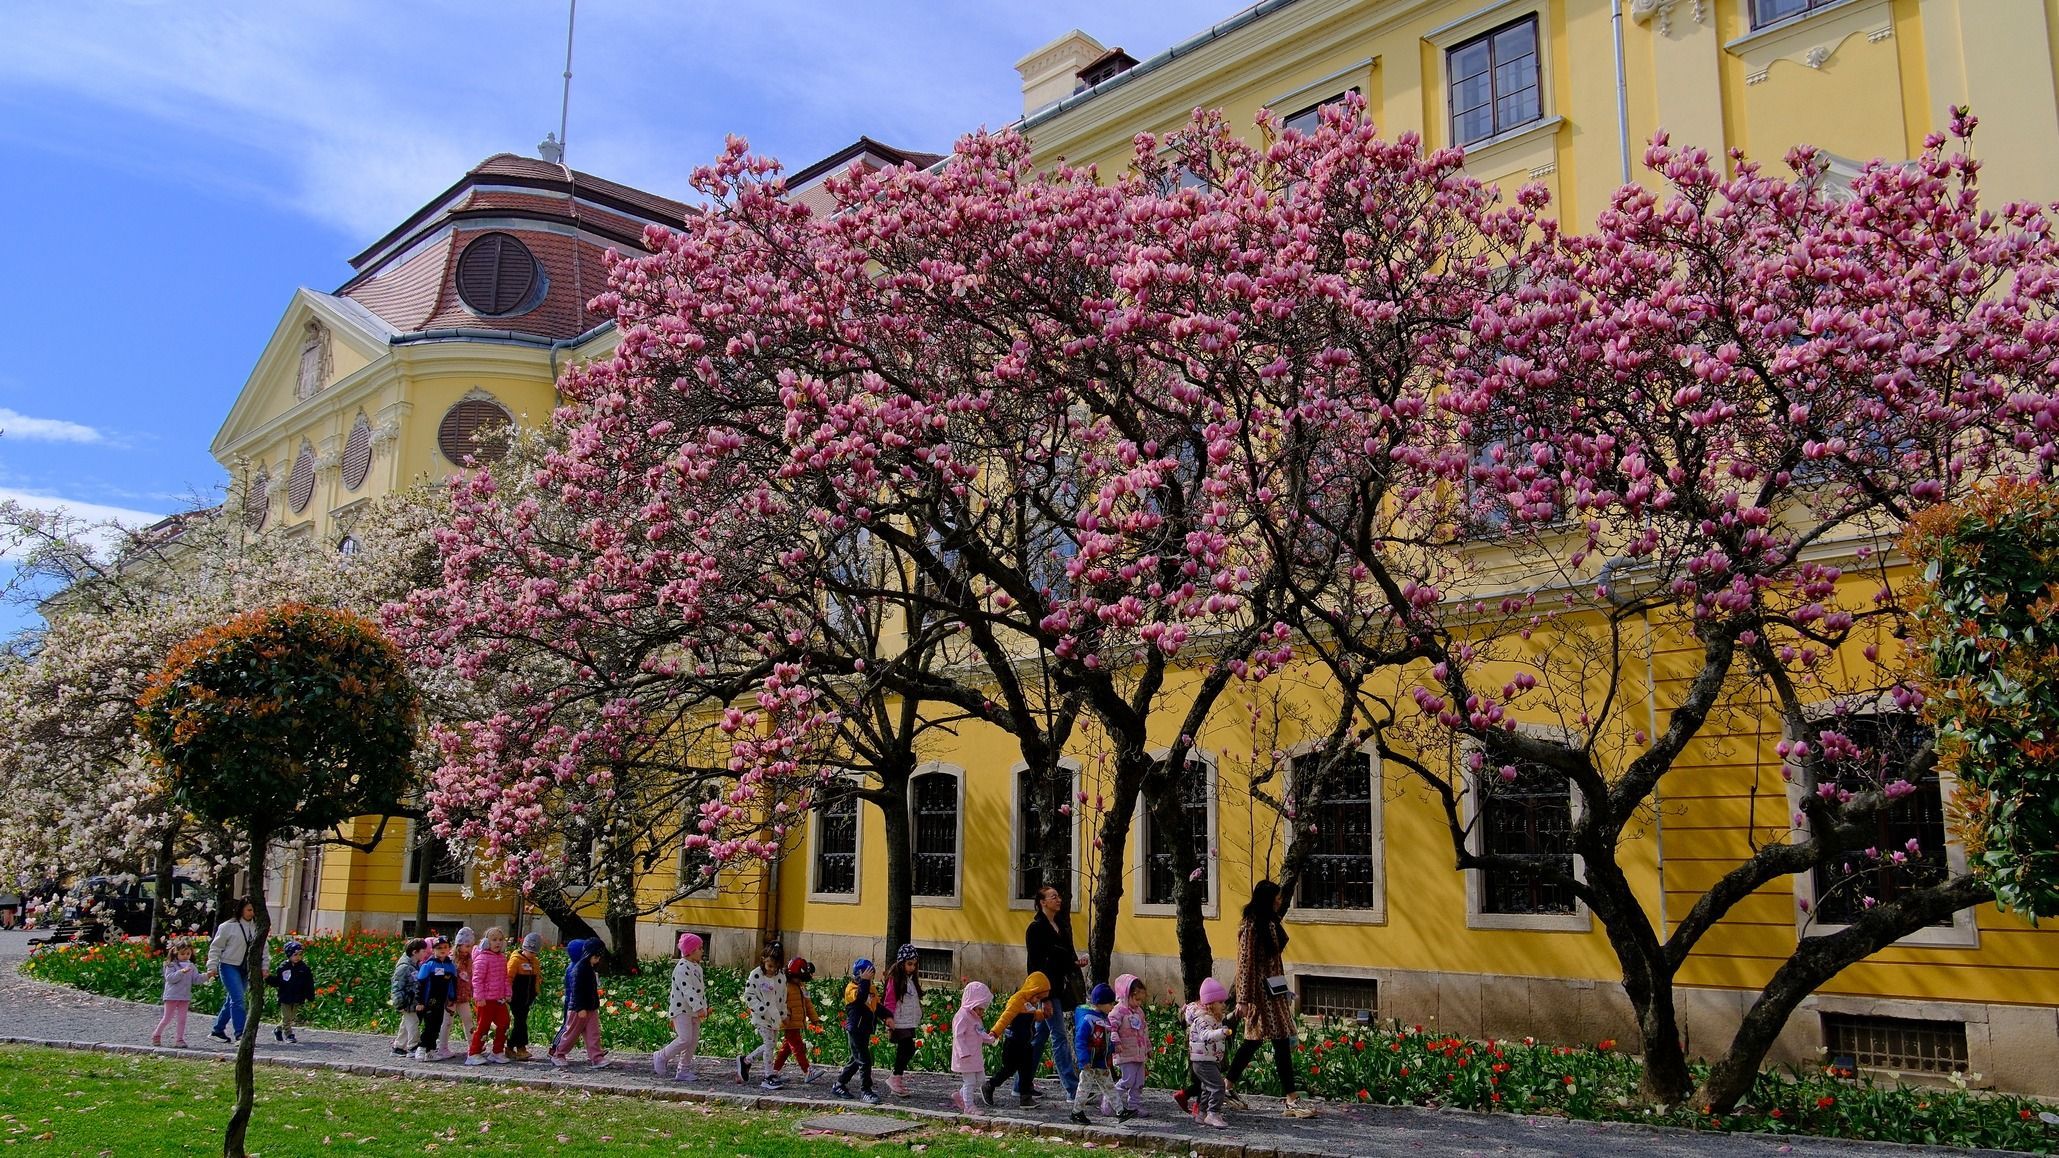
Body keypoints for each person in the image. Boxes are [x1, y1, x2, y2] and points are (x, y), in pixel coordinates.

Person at [1228, 880, 1314, 1117]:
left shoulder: (1270, 922)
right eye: (1276, 898)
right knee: (1273, 1042)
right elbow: (1244, 964)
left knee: (1259, 1042)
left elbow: (1274, 959)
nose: (1280, 902)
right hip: (1259, 996)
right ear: (1266, 899)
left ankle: (1228, 1086)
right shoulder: (1251, 927)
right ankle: (1291, 1098)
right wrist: (1243, 999)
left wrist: (1284, 988)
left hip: (1274, 990)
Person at [1025, 883, 1086, 1103]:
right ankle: (1073, 1090)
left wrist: (1076, 963)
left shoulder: (1061, 924)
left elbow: (1064, 957)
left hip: (1060, 987)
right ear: (1042, 902)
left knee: (1039, 1038)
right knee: (1059, 1037)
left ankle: (1021, 1085)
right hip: (1045, 991)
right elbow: (1035, 965)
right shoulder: (1036, 928)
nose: (1058, 899)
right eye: (1052, 897)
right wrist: (1043, 997)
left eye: (1058, 896)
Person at [982, 970, 1051, 1108]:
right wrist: (995, 1032)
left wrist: (1043, 1014)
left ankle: (1025, 1098)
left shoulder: (1027, 1002)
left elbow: (1032, 1015)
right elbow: (1005, 1017)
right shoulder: (1017, 1000)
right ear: (1032, 991)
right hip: (1014, 1043)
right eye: (1037, 997)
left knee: (1026, 1071)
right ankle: (990, 1085)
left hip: (1026, 1043)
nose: (1038, 1001)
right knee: (1008, 1069)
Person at [652, 932, 708, 1082]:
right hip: (681, 1010)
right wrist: (698, 1007)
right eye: (700, 948)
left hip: (694, 1012)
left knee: (693, 1040)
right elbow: (687, 990)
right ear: (691, 950)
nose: (703, 951)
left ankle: (684, 1070)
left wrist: (703, 1007)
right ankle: (661, 1056)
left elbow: (700, 990)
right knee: (684, 1038)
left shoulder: (696, 967)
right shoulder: (682, 968)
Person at [549, 937, 609, 1068]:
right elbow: (576, 991)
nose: (598, 960)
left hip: (591, 1008)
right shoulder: (579, 970)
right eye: (596, 957)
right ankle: (559, 1054)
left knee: (593, 1033)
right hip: (578, 1009)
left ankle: (596, 1057)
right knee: (571, 1034)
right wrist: (580, 1007)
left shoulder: (590, 969)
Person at [830, 958, 883, 1103]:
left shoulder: (871, 988)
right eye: (867, 976)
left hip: (865, 1029)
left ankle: (839, 1084)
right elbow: (860, 998)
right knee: (865, 1060)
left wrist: (889, 1017)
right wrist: (864, 981)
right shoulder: (851, 989)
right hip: (855, 1030)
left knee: (856, 1060)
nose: (870, 979)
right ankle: (866, 1090)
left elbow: (876, 1007)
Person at [203, 899, 256, 1043]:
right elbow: (216, 948)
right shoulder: (227, 927)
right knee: (238, 999)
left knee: (232, 1000)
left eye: (253, 910)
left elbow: (263, 949)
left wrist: (264, 967)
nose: (252, 913)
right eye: (249, 910)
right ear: (240, 910)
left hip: (245, 968)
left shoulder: (256, 927)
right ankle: (240, 1034)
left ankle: (217, 1031)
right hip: (228, 965)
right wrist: (212, 966)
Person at [1185, 977, 1233, 1129]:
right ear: (1211, 1004)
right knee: (1218, 1086)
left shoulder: (1213, 1018)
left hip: (1209, 1058)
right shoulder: (1202, 1020)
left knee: (1207, 1087)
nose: (1223, 1005)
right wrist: (1221, 1032)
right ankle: (1213, 1113)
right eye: (1220, 1002)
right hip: (1203, 1060)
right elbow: (1206, 1036)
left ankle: (1202, 1113)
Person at [735, 944, 785, 1090]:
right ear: (763, 960)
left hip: (775, 1017)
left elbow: (783, 997)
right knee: (769, 1044)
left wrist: (784, 1014)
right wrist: (761, 1009)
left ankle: (746, 1060)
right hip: (761, 1017)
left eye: (775, 966)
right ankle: (768, 1075)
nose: (772, 969)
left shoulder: (780, 976)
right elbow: (749, 995)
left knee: (772, 1044)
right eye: (769, 965)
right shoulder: (756, 975)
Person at [1070, 982, 1118, 1125]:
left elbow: (1105, 1038)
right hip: (1089, 1062)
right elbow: (1080, 1041)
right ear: (1100, 1003)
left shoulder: (1103, 1017)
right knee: (1084, 1087)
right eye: (1110, 1003)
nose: (1112, 1006)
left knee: (1108, 1085)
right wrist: (1083, 1060)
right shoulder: (1088, 1019)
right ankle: (1076, 1112)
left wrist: (1112, 1048)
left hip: (1099, 1060)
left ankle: (1120, 1111)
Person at [769, 956, 821, 1084]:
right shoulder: (784, 986)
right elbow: (779, 1004)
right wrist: (786, 1016)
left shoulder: (801, 986)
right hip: (788, 1021)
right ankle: (807, 1071)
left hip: (796, 1022)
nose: (799, 980)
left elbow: (808, 1003)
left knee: (787, 1048)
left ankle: (774, 1071)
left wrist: (815, 1019)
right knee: (798, 1047)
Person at [880, 944, 923, 1096]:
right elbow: (889, 1000)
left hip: (908, 1021)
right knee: (906, 1048)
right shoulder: (895, 980)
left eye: (914, 964)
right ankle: (895, 1078)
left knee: (909, 1049)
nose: (912, 967)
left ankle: (896, 1078)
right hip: (899, 1021)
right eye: (909, 964)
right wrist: (888, 1017)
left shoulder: (910, 980)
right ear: (901, 963)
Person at [949, 980, 996, 1115]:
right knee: (969, 1081)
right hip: (965, 1056)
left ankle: (960, 1095)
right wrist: (963, 1052)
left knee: (980, 1079)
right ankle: (969, 1106)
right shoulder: (962, 1016)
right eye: (980, 1008)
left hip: (975, 1055)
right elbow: (958, 1036)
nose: (982, 1012)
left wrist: (990, 1039)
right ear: (972, 1004)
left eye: (983, 1009)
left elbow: (979, 1032)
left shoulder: (975, 1018)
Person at [465, 927, 512, 1064]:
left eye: (500, 940)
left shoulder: (502, 958)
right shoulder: (482, 958)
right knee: (483, 1026)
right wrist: (479, 998)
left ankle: (497, 1051)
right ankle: (474, 1052)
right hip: (485, 1000)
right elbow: (477, 979)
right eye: (494, 940)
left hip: (499, 999)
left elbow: (505, 978)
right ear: (486, 942)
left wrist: (507, 993)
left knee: (504, 1023)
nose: (497, 943)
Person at [1108, 973, 1151, 1121]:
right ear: (1126, 994)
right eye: (1136, 999)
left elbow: (1144, 1031)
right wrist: (1116, 1043)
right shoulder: (1118, 1011)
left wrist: (1148, 1048)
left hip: (1138, 1053)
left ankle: (1134, 1107)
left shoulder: (1139, 1012)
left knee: (1139, 1082)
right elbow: (1111, 1028)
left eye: (1141, 1000)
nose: (1139, 1003)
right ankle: (1110, 1101)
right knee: (1127, 1080)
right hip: (1125, 1052)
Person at [413, 936, 459, 1061]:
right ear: (433, 950)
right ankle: (421, 1048)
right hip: (428, 1000)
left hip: (441, 1000)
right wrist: (420, 1001)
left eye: (445, 947)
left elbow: (452, 984)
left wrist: (452, 997)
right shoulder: (429, 965)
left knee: (437, 1025)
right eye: (439, 948)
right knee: (429, 1025)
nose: (442, 950)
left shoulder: (450, 966)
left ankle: (431, 1050)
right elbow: (420, 984)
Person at [153, 939, 200, 1047]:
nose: (185, 956)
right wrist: (181, 972)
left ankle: (179, 1039)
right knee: (167, 1017)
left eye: (188, 954)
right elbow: (170, 978)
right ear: (175, 952)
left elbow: (196, 979)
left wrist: (207, 976)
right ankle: (157, 1034)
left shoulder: (191, 966)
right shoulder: (171, 965)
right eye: (182, 954)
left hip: (185, 996)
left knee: (182, 1019)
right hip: (172, 995)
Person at [268, 940, 315, 1043]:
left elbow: (309, 983)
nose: (298, 957)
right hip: (285, 996)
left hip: (298, 996)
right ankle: (289, 1034)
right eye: (295, 955)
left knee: (291, 1017)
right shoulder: (283, 967)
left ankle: (278, 1029)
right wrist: (268, 978)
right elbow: (278, 981)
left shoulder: (304, 969)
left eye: (300, 954)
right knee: (286, 1016)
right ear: (289, 955)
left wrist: (310, 995)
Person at [506, 932, 543, 1060]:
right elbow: (509, 978)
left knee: (521, 1022)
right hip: (516, 996)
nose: (532, 955)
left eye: (535, 953)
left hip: (528, 997)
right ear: (524, 948)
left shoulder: (535, 962)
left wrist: (536, 991)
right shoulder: (515, 960)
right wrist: (508, 993)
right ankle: (520, 1047)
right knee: (520, 1022)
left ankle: (512, 1047)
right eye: (530, 952)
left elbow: (537, 978)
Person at [388, 938, 427, 1056]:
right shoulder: (404, 967)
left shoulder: (415, 965)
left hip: (412, 1002)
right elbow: (397, 986)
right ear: (415, 952)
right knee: (413, 1022)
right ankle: (413, 1046)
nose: (425, 953)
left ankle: (398, 1047)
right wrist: (399, 1003)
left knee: (406, 1024)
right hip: (407, 1002)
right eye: (423, 951)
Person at [445, 926, 477, 1057]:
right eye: (467, 946)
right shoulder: (451, 959)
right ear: (459, 945)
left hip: (464, 996)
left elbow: (471, 976)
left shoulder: (469, 959)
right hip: (451, 996)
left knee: (468, 1019)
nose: (469, 949)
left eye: (470, 946)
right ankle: (442, 1046)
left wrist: (472, 990)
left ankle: (473, 1046)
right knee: (447, 1022)